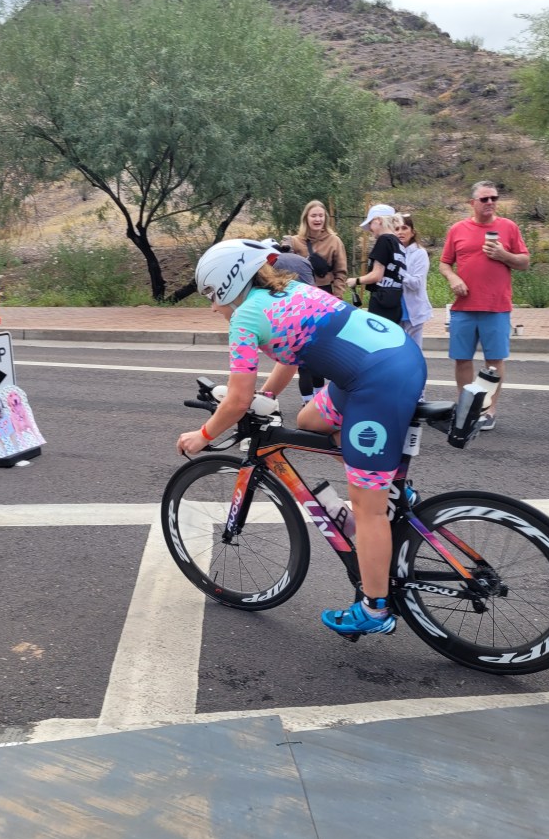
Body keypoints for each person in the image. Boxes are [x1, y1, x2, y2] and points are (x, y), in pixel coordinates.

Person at [176, 239, 427, 638]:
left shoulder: (245, 318)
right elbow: (292, 356)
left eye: (211, 295)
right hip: (393, 354)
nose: (212, 307)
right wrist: (268, 396)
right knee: (310, 419)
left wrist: (202, 436)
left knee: (368, 510)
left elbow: (237, 400)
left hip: (378, 381)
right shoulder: (287, 289)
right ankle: (390, 486)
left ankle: (375, 609)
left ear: (227, 285)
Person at [439, 180, 530, 431]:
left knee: (494, 362)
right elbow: (444, 263)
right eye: (484, 199)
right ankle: (465, 408)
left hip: (496, 306)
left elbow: (524, 262)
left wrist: (504, 255)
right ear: (472, 203)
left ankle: (489, 410)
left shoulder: (509, 227)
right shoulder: (458, 229)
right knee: (462, 359)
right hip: (464, 307)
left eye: (494, 198)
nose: (490, 202)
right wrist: (453, 278)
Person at [281, 200, 348, 405]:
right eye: (313, 215)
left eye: (321, 215)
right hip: (300, 299)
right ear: (306, 218)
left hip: (325, 298)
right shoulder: (295, 241)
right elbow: (283, 263)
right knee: (302, 351)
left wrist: (336, 298)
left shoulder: (334, 241)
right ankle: (307, 401)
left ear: (325, 218)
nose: (318, 219)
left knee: (320, 350)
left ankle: (319, 399)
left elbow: (341, 272)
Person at [346, 203, 405, 324]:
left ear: (378, 220)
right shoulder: (398, 243)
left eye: (370, 224)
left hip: (381, 300)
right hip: (395, 300)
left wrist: (356, 281)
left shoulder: (384, 240)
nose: (369, 228)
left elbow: (377, 275)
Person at [395, 214, 433, 349]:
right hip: (394, 308)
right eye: (396, 229)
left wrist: (399, 271)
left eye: (404, 228)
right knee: (397, 349)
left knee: (414, 349)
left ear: (412, 232)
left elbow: (416, 283)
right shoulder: (392, 252)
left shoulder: (419, 253)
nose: (400, 232)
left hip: (413, 309)